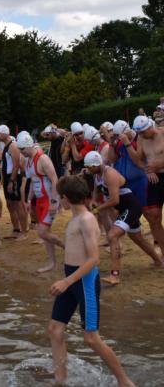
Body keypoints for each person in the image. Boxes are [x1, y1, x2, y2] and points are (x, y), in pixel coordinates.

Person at [48, 176, 134, 387]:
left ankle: (125, 382)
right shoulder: (75, 218)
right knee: (55, 328)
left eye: (60, 197)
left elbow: (94, 259)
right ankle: (60, 381)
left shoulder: (86, 219)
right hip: (71, 278)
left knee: (91, 338)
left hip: (84, 281)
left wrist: (66, 282)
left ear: (66, 198)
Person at [83, 151, 163, 285]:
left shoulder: (109, 174)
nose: (89, 169)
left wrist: (97, 210)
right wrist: (93, 203)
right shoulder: (97, 175)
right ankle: (158, 261)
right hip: (125, 209)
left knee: (112, 235)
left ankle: (115, 275)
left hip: (131, 208)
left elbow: (114, 200)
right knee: (137, 238)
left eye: (90, 167)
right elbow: (96, 194)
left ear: (96, 165)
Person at [17, 132, 65, 273]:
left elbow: (55, 180)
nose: (21, 152)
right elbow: (33, 181)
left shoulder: (43, 159)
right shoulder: (28, 161)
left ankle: (69, 248)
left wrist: (54, 202)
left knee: (42, 232)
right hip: (39, 200)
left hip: (49, 199)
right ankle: (52, 263)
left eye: (22, 149)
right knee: (46, 234)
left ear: (28, 146)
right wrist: (29, 200)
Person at [132, 115, 164, 250]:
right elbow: (138, 159)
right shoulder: (141, 138)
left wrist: (159, 164)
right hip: (154, 179)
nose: (141, 135)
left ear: (150, 127)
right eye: (139, 133)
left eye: (143, 132)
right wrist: (147, 170)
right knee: (153, 217)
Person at [0, 124, 28, 239]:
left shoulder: (13, 146)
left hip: (13, 178)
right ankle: (16, 229)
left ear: (5, 133)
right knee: (10, 205)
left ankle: (23, 232)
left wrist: (11, 181)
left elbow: (16, 165)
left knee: (18, 205)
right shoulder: (5, 145)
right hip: (7, 178)